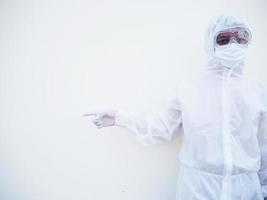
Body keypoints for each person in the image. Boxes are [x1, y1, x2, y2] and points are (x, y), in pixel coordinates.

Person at [83, 15, 267, 200]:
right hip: (198, 190)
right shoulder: (189, 88)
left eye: (240, 38)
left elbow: (264, 146)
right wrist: (119, 117)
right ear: (211, 43)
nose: (233, 45)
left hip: (246, 191)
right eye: (224, 39)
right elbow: (162, 128)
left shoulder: (258, 93)